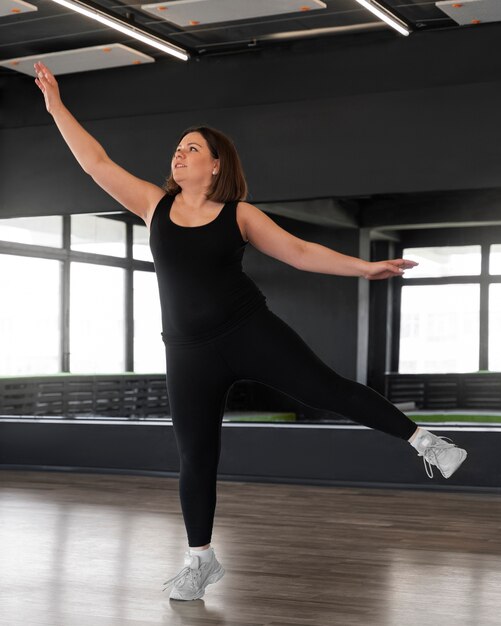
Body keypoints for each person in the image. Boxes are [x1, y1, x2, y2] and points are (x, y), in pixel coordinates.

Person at [34, 60, 467, 602]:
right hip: (188, 352)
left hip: (247, 331)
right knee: (196, 455)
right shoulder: (154, 206)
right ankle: (200, 561)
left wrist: (368, 268)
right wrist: (55, 106)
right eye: (179, 147)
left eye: (193, 148)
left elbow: (301, 253)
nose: (180, 153)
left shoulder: (238, 214)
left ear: (216, 166)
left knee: (328, 390)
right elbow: (95, 163)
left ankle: (426, 442)